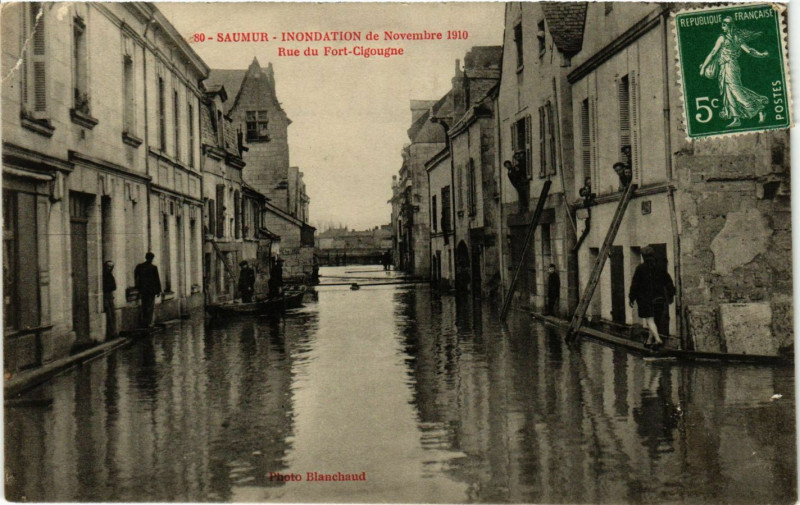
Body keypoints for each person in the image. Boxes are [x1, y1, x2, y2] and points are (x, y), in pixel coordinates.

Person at [699, 16, 769, 128]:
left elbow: (749, 50)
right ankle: (736, 118)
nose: (723, 26)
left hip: (731, 67)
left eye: (724, 24)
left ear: (730, 26)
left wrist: (761, 55)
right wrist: (704, 67)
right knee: (728, 92)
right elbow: (713, 53)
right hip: (724, 67)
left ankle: (759, 109)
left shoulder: (734, 38)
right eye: (722, 24)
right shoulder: (725, 38)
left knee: (736, 91)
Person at [629, 246, 670, 350]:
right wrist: (670, 296)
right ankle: (649, 341)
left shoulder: (640, 268)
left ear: (643, 256)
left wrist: (631, 298)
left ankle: (657, 339)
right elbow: (668, 282)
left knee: (650, 320)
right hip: (659, 298)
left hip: (645, 299)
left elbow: (635, 284)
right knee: (654, 320)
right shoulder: (660, 268)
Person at [134, 252, 162, 328]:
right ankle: (148, 323)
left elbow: (136, 276)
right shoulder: (153, 267)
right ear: (151, 258)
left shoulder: (140, 266)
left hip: (143, 290)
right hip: (151, 291)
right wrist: (159, 290)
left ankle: (145, 322)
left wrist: (137, 286)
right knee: (150, 307)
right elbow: (157, 280)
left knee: (145, 306)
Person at [103, 260, 117, 338]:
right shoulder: (104, 276)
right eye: (108, 266)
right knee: (109, 313)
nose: (109, 268)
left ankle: (112, 331)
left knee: (112, 313)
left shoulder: (110, 275)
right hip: (106, 296)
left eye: (111, 267)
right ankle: (110, 332)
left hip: (110, 296)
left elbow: (114, 286)